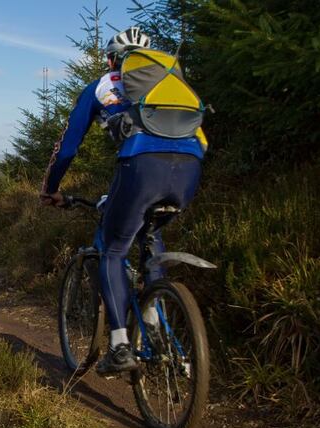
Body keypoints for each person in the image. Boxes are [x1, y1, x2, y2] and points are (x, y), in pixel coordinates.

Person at [40, 27, 205, 375]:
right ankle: (154, 322)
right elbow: (201, 139)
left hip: (141, 168)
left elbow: (67, 147)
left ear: (111, 59)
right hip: (189, 169)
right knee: (150, 234)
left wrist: (51, 187)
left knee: (114, 250)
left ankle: (119, 346)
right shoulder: (169, 85)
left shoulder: (101, 85)